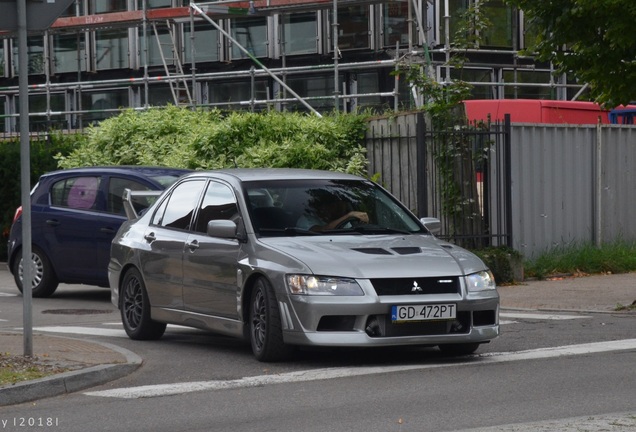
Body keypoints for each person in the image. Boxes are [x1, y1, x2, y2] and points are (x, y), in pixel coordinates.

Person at [297, 193, 368, 232]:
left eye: (343, 205)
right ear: (323, 207)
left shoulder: (346, 221)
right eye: (335, 205)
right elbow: (321, 231)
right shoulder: (306, 219)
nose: (339, 209)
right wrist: (348, 216)